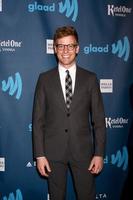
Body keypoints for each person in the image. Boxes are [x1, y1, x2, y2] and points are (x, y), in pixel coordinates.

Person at [32, 26, 106, 200]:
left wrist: (99, 153)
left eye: (70, 46)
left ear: (77, 48)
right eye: (61, 46)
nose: (66, 51)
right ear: (55, 49)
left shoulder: (90, 79)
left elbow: (99, 120)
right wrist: (40, 155)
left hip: (83, 153)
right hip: (53, 154)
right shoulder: (44, 79)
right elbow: (38, 120)